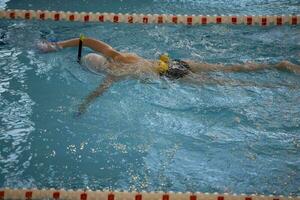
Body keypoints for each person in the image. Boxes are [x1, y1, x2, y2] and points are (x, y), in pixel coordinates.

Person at [38, 37, 300, 114]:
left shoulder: (112, 75)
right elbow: (88, 40)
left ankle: (281, 87)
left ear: (96, 69)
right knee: (229, 69)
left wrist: (82, 106)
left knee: (227, 82)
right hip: (174, 62)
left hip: (172, 76)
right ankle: (280, 65)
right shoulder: (117, 55)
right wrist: (57, 45)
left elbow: (97, 93)